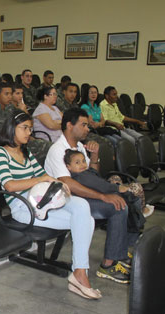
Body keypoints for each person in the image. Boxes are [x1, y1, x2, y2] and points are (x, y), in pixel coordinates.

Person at [0, 109, 99, 299]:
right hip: (23, 207)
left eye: (30, 128)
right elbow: (9, 185)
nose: (29, 133)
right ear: (11, 129)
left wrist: (58, 184)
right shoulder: (1, 153)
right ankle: (80, 274)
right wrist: (41, 179)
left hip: (42, 199)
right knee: (87, 221)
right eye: (24, 128)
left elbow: (44, 177)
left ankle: (79, 273)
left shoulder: (27, 153)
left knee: (82, 206)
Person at [44, 108, 135, 284]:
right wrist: (102, 197)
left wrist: (94, 157)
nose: (88, 128)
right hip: (67, 201)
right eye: (83, 125)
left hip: (81, 196)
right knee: (117, 206)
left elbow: (91, 175)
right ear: (70, 126)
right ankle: (108, 266)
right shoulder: (58, 150)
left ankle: (119, 252)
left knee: (122, 200)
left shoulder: (78, 146)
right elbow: (68, 184)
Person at [64, 149, 153, 217]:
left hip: (104, 188)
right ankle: (141, 211)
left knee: (115, 177)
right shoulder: (81, 176)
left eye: (83, 161)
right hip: (104, 193)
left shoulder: (83, 173)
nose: (82, 164)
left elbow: (94, 174)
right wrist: (117, 188)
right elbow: (101, 185)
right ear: (69, 167)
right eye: (77, 163)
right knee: (136, 187)